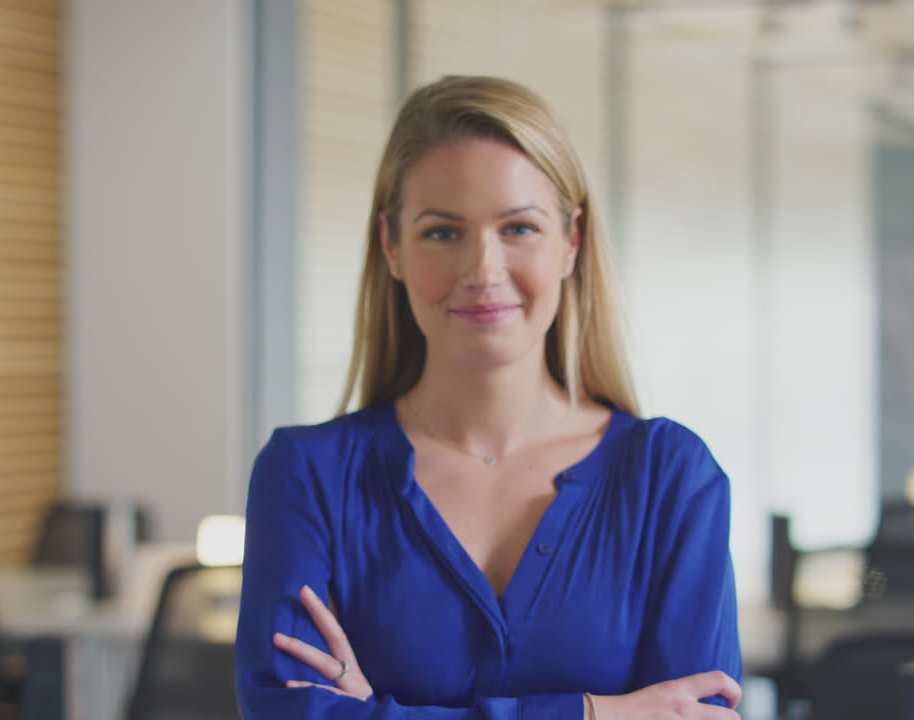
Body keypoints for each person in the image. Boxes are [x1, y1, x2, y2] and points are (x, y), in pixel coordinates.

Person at [235, 75, 742, 719]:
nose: (483, 270)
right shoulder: (306, 475)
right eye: (443, 233)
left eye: (519, 228)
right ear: (392, 245)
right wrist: (596, 713)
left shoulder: (671, 477)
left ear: (572, 240)